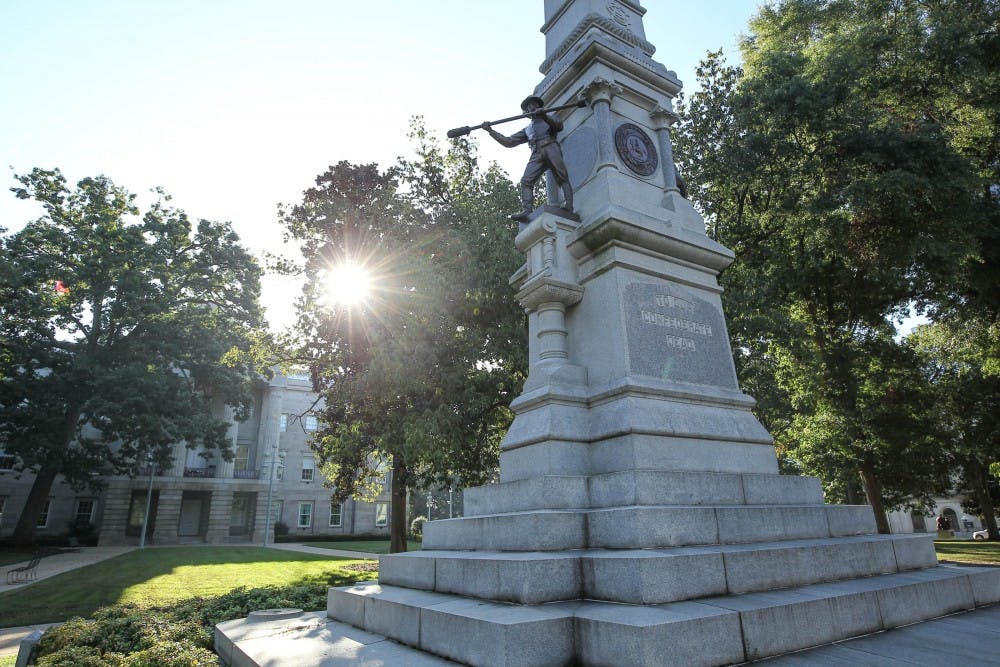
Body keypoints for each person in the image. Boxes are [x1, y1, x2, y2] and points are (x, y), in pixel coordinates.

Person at [484, 95, 573, 222]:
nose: (531, 107)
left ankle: (569, 206)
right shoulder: (527, 129)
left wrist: (545, 116)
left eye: (533, 104)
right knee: (526, 181)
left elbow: (559, 126)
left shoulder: (549, 118)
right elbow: (509, 142)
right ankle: (527, 211)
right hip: (536, 153)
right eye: (528, 107)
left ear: (539, 106)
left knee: (561, 176)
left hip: (551, 147)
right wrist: (490, 131)